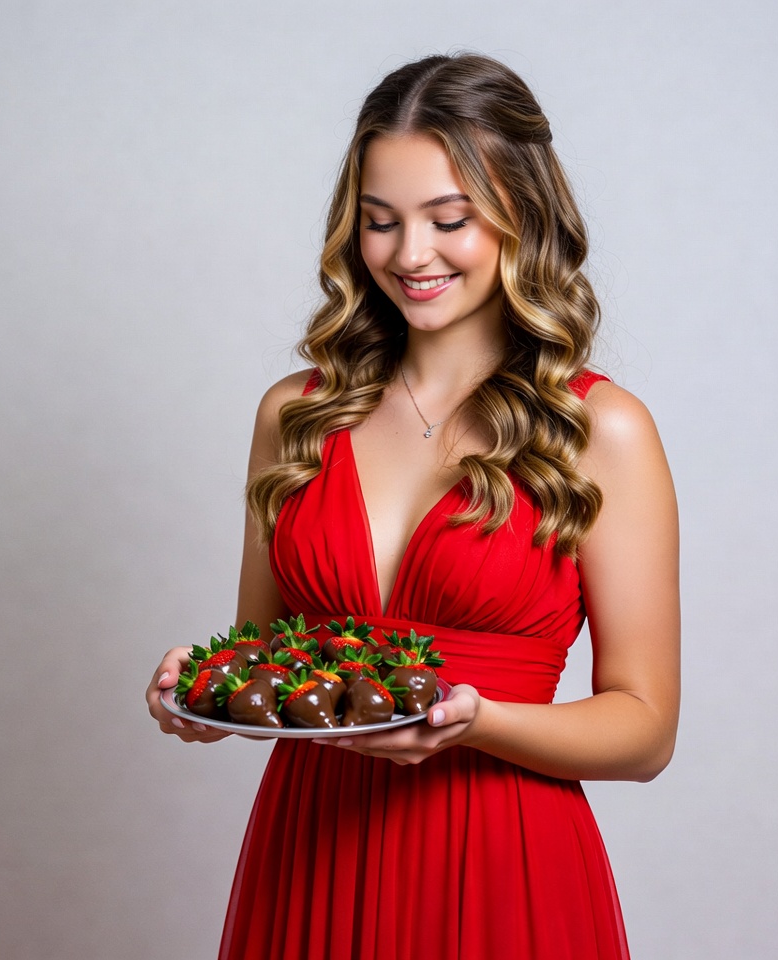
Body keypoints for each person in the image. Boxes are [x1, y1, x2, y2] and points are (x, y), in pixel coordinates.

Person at [146, 52, 679, 960]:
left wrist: (481, 721)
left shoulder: (601, 427)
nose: (410, 254)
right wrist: (207, 691)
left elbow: (645, 728)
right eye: (381, 222)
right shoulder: (296, 413)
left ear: (522, 215)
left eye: (449, 220)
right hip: (310, 852)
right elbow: (270, 653)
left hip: (504, 857)